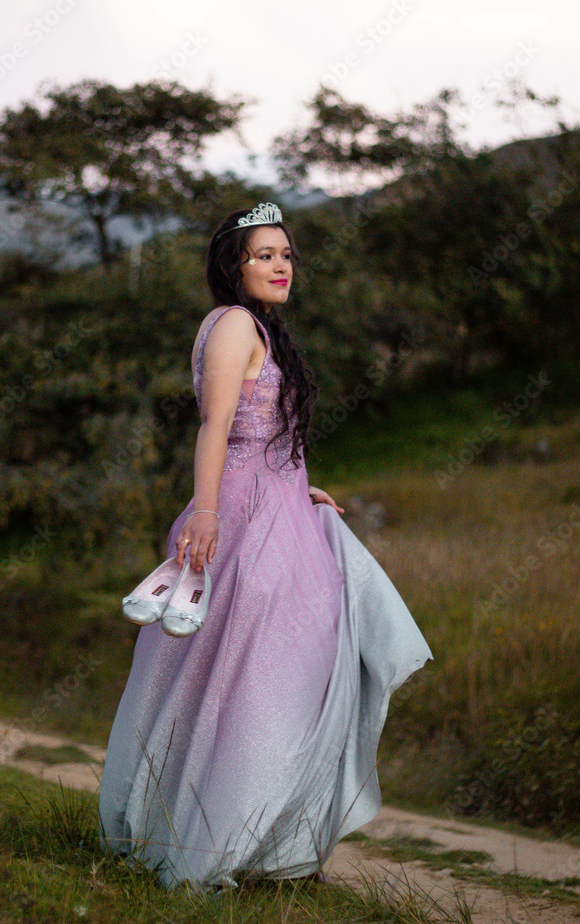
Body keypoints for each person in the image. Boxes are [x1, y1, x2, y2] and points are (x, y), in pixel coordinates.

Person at [98, 202, 432, 889]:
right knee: (236, 683)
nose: (281, 266)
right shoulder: (230, 325)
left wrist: (299, 485)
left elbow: (270, 439)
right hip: (241, 522)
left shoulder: (262, 330)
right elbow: (216, 427)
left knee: (282, 675)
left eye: (286, 256)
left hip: (280, 512)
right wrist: (209, 512)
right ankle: (202, 841)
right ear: (233, 266)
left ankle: (251, 834)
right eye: (264, 255)